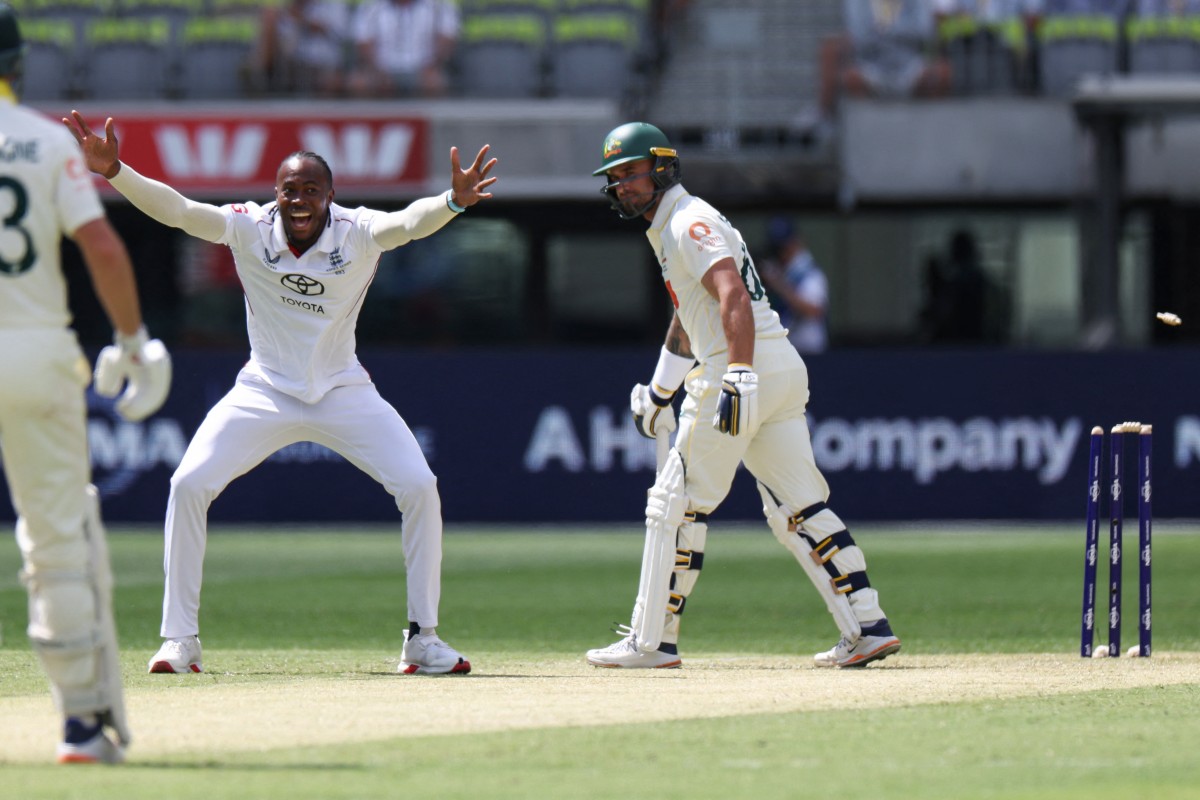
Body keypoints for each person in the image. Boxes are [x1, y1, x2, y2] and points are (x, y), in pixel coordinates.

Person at [63, 110, 497, 677]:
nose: (299, 201)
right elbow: (181, 212)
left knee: (419, 486)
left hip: (344, 388)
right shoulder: (249, 226)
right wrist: (117, 171)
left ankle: (423, 639)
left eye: (311, 191)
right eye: (289, 190)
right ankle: (179, 641)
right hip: (263, 388)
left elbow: (408, 224)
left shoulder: (358, 230)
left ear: (330, 196)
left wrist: (453, 202)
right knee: (188, 484)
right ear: (275, 194)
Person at [584, 123, 900, 670]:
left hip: (743, 366)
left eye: (629, 173)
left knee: (673, 504)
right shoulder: (670, 227)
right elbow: (689, 318)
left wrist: (738, 373)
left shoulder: (688, 220)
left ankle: (651, 639)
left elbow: (730, 291)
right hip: (775, 370)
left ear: (660, 168)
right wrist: (662, 393)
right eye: (614, 178)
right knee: (798, 508)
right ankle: (867, 625)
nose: (621, 186)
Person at [0, 3, 171, 764]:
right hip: (33, 352)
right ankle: (80, 724)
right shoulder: (39, 140)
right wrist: (133, 339)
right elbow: (100, 244)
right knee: (57, 541)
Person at [347, 0, 459, 98]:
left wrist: (433, 66)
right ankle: (372, 119)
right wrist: (376, 70)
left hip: (424, 66)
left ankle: (432, 119)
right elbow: (363, 42)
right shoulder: (370, 5)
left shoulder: (439, 4)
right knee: (359, 83)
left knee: (434, 83)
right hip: (382, 67)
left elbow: (447, 38)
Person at [759, 217, 829, 355]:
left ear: (796, 242)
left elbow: (814, 310)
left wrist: (780, 285)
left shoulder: (809, 273)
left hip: (810, 351)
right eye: (778, 248)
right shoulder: (780, 270)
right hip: (786, 351)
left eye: (785, 247)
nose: (782, 253)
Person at [252, 0, 350, 96]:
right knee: (270, 13)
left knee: (331, 81)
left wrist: (302, 19)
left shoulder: (336, 4)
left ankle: (261, 77)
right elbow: (284, 35)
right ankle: (260, 76)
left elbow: (339, 33)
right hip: (296, 61)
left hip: (325, 63)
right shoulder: (296, 5)